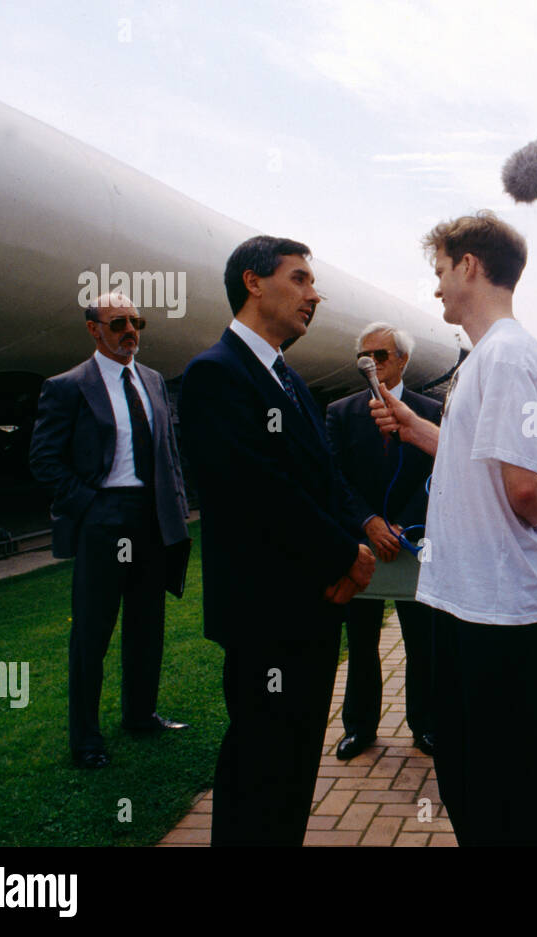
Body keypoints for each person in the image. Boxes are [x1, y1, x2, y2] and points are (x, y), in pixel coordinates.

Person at [370, 211, 537, 846]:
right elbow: (465, 448)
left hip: (497, 610)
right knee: (469, 771)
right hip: (469, 601)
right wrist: (408, 422)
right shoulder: (488, 357)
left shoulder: (507, 355)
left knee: (503, 786)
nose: (436, 288)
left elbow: (523, 486)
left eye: (441, 271)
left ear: (470, 267)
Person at [180, 236, 375, 846]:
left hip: (312, 606)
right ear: (253, 282)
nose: (314, 294)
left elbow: (324, 477)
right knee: (260, 763)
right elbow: (256, 491)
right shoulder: (216, 375)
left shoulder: (284, 376)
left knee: (292, 765)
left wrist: (362, 531)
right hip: (267, 613)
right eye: (299, 279)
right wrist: (346, 553)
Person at [28, 291, 192, 769]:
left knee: (147, 624)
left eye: (136, 321)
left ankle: (140, 715)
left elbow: (168, 452)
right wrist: (91, 505)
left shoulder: (154, 380)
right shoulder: (67, 387)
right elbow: (43, 459)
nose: (130, 331)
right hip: (104, 520)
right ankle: (86, 739)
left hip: (152, 518)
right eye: (117, 321)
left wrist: (176, 508)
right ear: (93, 329)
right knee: (93, 633)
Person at [326, 322, 442, 759]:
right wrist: (370, 521)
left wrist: (402, 524)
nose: (372, 363)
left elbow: (438, 470)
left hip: (413, 541)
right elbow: (333, 476)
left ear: (402, 360)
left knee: (421, 639)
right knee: (360, 641)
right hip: (360, 542)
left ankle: (426, 724)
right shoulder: (340, 411)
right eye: (366, 356)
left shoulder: (431, 408)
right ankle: (359, 726)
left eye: (381, 356)